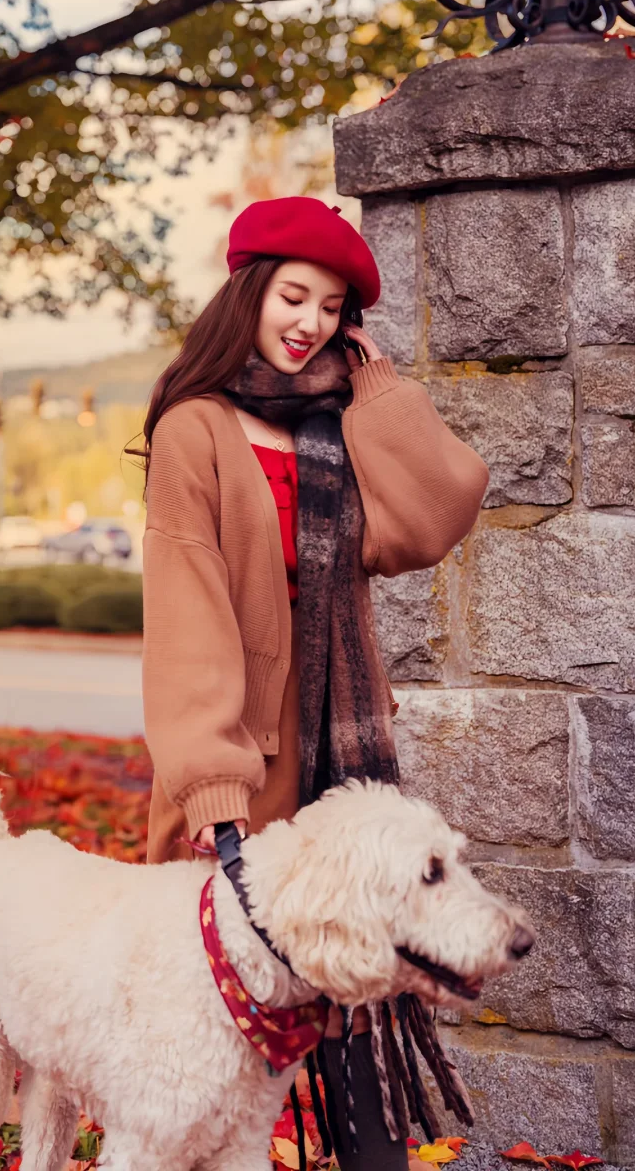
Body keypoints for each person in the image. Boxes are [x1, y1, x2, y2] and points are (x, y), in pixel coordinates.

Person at [138, 195, 489, 1169]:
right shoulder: (196, 431)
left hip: (340, 761)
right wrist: (215, 794)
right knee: (211, 1025)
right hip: (242, 765)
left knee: (349, 991)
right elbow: (188, 612)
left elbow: (435, 516)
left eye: (333, 308)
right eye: (294, 296)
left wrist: (375, 394)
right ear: (247, 292)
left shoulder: (335, 425)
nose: (311, 323)